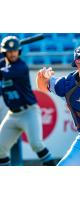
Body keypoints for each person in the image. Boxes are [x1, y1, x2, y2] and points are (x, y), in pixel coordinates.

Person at [0, 36, 55, 166]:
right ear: (4, 52)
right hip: (12, 114)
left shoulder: (21, 66)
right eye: (10, 51)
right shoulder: (3, 64)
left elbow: (4, 73)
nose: (13, 53)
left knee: (37, 145)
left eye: (15, 51)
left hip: (28, 112)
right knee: (0, 150)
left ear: (19, 52)